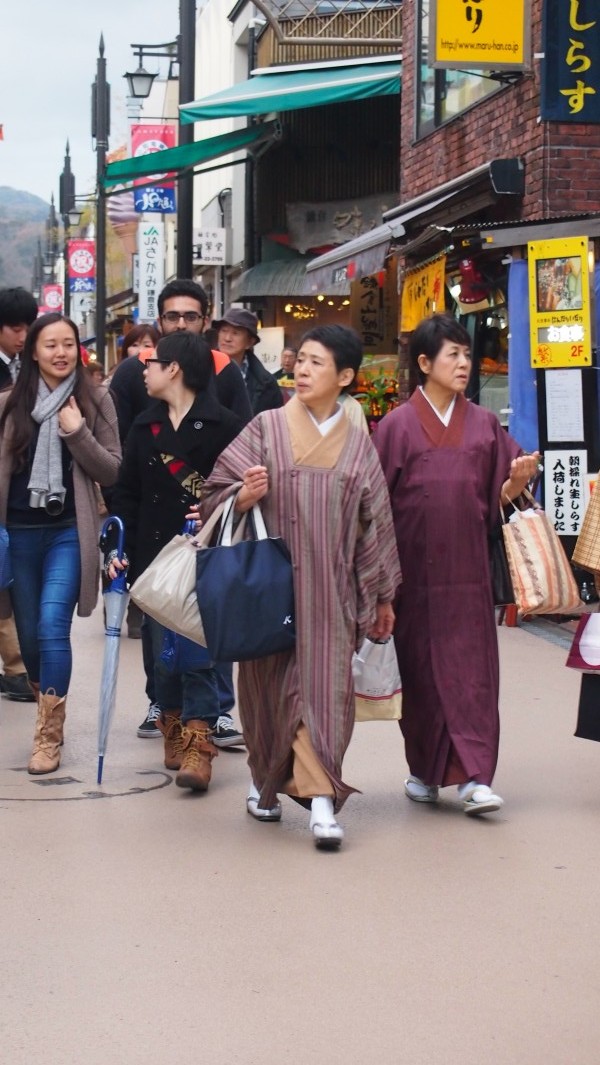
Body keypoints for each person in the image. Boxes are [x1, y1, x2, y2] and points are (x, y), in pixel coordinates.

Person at [200, 323, 401, 848]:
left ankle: (320, 802)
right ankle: (264, 780)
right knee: (268, 694)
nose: (303, 370)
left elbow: (375, 524)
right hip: (269, 594)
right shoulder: (265, 427)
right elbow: (215, 492)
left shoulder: (359, 448)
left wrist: (380, 595)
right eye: (301, 360)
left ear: (346, 377)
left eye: (317, 363)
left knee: (323, 696)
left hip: (331, 597)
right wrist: (242, 497)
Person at [372, 313, 540, 816]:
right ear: (425, 363)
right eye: (454, 355)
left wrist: (516, 479)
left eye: (467, 354)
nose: (464, 363)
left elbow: (498, 498)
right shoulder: (399, 425)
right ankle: (425, 770)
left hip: (467, 576)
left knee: (473, 675)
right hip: (413, 577)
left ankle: (475, 777)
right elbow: (376, 504)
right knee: (422, 675)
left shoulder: (485, 423)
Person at [109, 280, 250, 744]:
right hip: (153, 548)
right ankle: (170, 720)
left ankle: (199, 740)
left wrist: (219, 504)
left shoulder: (225, 423)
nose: (144, 367)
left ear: (175, 370)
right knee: (161, 648)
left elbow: (239, 482)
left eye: (154, 362)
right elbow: (125, 492)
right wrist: (118, 546)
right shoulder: (143, 425)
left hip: (205, 549)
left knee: (202, 645)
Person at [0, 312, 121, 773]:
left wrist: (76, 431)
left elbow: (111, 470)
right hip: (18, 536)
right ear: (33, 351)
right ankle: (43, 698)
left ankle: (48, 736)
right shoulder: (9, 404)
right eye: (50, 344)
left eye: (68, 343)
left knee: (53, 625)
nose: (60, 352)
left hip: (69, 531)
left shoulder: (95, 401)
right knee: (29, 640)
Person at [0, 286, 41, 702]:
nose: (22, 335)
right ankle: (15, 667)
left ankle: (16, 667)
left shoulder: (21, 367)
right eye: (15, 327)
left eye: (28, 327)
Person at [213, 307, 283, 416]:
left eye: (235, 333)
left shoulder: (266, 383)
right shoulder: (202, 369)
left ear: (250, 342)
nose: (227, 338)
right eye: (224, 331)